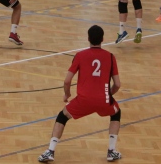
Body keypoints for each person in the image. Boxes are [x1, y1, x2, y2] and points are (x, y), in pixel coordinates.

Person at [38, 25, 122, 163]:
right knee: (116, 113)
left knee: (62, 116)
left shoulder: (80, 55)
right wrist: (108, 95)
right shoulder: (110, 57)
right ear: (102, 39)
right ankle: (111, 151)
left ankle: (50, 151)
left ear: (88, 38)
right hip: (104, 100)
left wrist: (67, 95)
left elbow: (67, 81)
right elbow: (117, 84)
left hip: (83, 100)